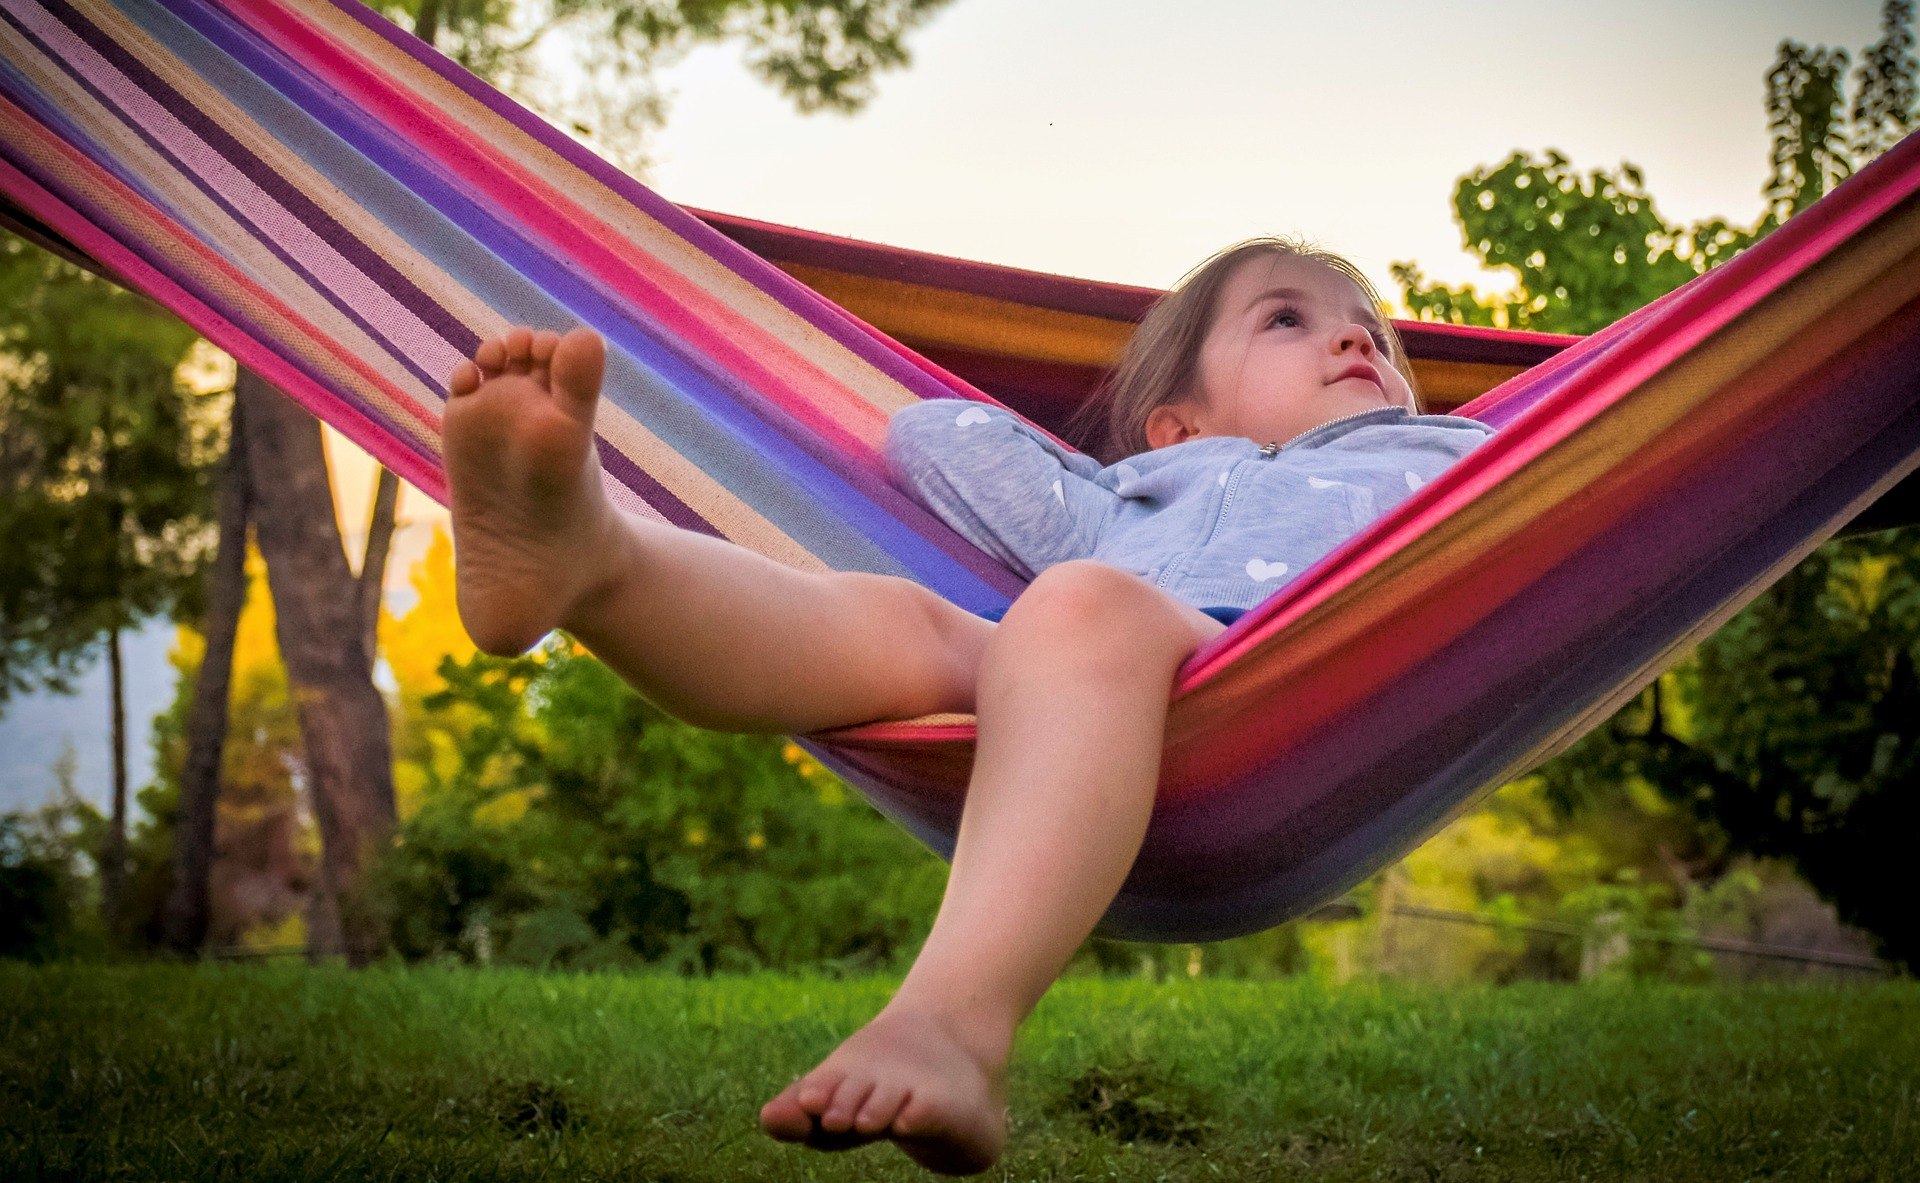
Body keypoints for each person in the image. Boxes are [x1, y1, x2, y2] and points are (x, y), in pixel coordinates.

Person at [439, 237, 1493, 1175]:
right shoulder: (1127, 498)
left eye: (1374, 335)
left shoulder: (1448, 457)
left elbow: (1541, 549)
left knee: (1075, 603)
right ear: (1177, 424)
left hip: (1299, 694)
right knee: (920, 624)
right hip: (1077, 694)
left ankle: (952, 1024)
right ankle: (592, 558)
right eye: (1288, 318)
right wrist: (1123, 470)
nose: (1356, 341)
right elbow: (932, 438)